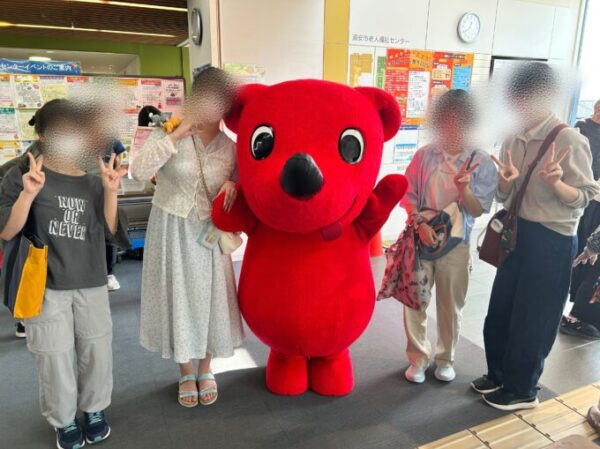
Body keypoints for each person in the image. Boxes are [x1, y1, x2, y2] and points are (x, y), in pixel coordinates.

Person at [0, 99, 128, 449]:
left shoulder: (93, 176)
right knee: (53, 357)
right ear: (42, 135)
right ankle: (64, 419)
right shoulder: (20, 174)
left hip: (91, 281)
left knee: (96, 350)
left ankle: (94, 409)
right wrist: (28, 194)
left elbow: (111, 231)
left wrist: (111, 191)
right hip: (45, 285)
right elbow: (7, 231)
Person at [472, 63, 600, 411]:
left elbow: (586, 196)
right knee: (501, 309)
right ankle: (498, 374)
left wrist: (557, 184)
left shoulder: (569, 139)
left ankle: (523, 389)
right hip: (517, 232)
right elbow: (505, 194)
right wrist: (505, 183)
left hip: (553, 238)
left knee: (535, 317)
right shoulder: (513, 136)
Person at [131, 67, 243, 408]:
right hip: (172, 228)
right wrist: (176, 136)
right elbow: (138, 171)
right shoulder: (168, 131)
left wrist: (234, 184)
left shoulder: (231, 147)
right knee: (177, 296)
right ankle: (184, 370)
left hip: (209, 232)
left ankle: (206, 369)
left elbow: (246, 185)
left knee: (212, 299)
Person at [401, 90, 497, 384]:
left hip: (457, 243)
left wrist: (464, 188)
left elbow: (477, 210)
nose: (452, 127)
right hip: (421, 238)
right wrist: (419, 224)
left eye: (459, 120)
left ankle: (445, 359)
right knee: (414, 302)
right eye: (446, 120)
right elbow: (408, 195)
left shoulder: (481, 161)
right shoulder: (424, 155)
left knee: (450, 306)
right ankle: (418, 358)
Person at [562, 99, 600, 338]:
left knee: (592, 255)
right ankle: (577, 311)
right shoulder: (581, 128)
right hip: (587, 199)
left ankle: (581, 310)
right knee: (586, 253)